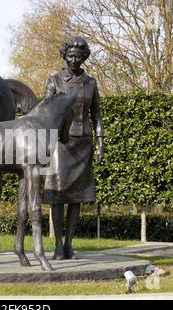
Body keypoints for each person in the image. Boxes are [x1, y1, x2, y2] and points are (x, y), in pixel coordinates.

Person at [42, 36, 104, 259]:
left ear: (84, 57)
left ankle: (69, 244)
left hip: (83, 142)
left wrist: (100, 143)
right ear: (64, 56)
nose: (74, 60)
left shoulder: (91, 83)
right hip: (60, 143)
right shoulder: (55, 80)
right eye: (70, 56)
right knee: (58, 195)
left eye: (78, 56)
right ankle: (58, 245)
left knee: (77, 197)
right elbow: (46, 109)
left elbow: (96, 115)